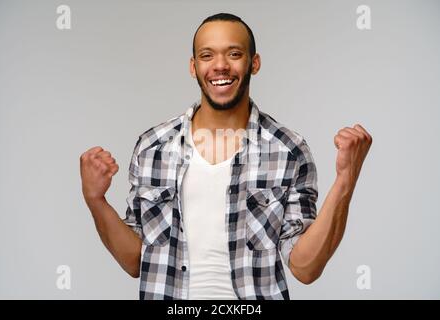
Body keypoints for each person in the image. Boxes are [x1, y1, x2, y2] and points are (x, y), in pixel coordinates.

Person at [79, 13, 372, 300]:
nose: (220, 66)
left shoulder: (288, 150)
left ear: (253, 63)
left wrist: (345, 182)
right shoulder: (152, 147)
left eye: (234, 53)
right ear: (193, 67)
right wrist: (96, 201)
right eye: (207, 56)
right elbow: (135, 261)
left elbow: (305, 268)